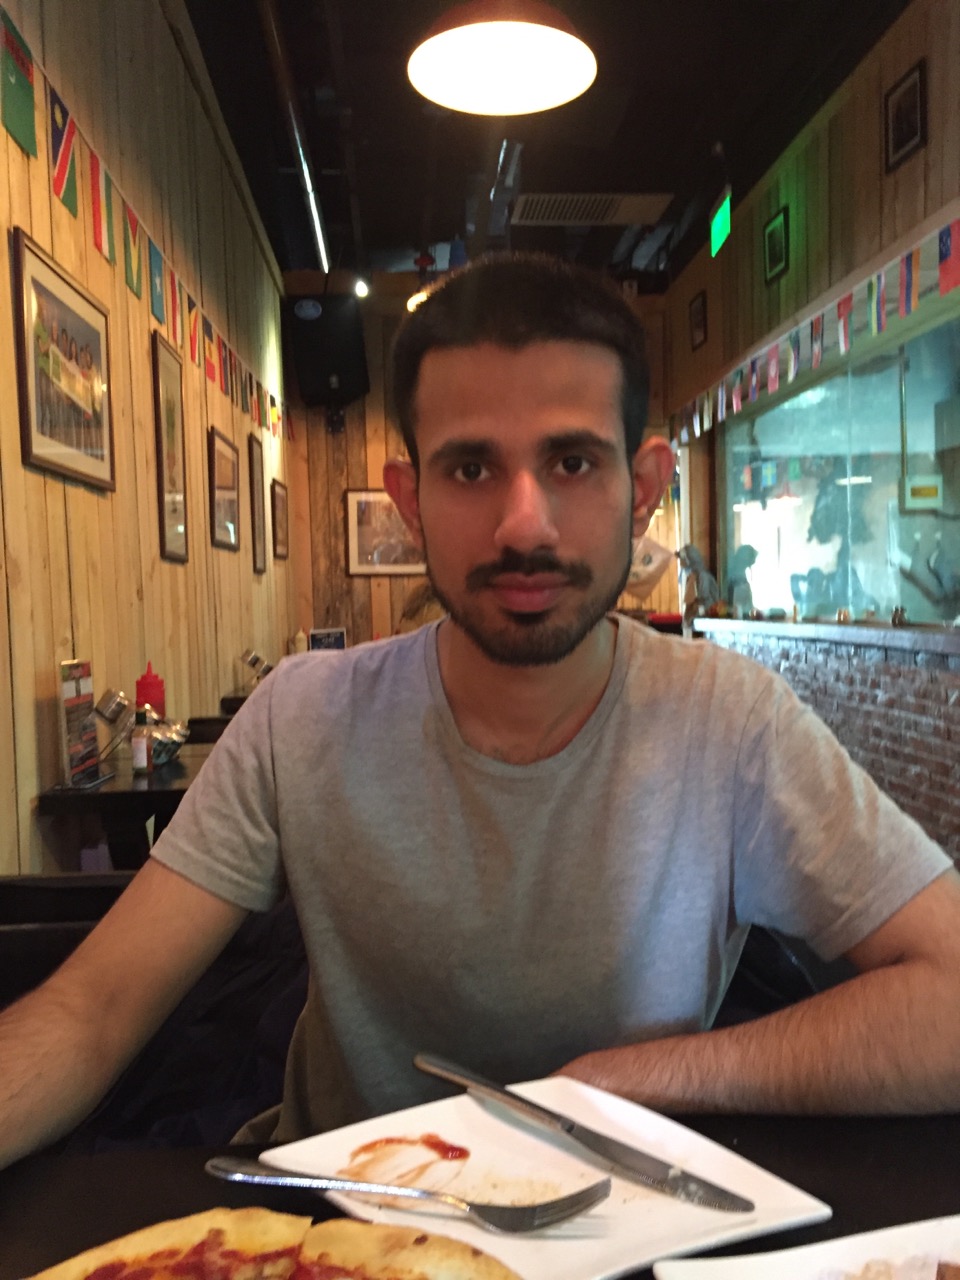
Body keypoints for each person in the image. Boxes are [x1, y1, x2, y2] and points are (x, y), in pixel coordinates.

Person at [2, 253, 959, 1173]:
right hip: (337, 1228)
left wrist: (639, 1081)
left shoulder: (732, 724)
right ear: (410, 500)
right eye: (470, 470)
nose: (524, 524)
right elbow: (92, 1012)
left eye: (573, 461)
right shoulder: (302, 717)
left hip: (631, 1222)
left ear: (644, 488)